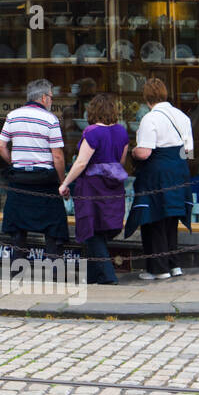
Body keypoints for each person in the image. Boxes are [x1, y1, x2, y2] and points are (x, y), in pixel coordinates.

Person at [123, 76, 193, 279]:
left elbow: (144, 153)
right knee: (171, 217)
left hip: (156, 173)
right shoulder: (182, 116)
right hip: (179, 171)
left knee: (153, 218)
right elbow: (189, 152)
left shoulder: (150, 118)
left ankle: (159, 269)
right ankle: (174, 265)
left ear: (146, 99)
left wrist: (133, 152)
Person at [59, 92, 128, 285]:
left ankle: (108, 276)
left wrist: (65, 183)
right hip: (113, 186)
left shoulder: (91, 132)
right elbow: (121, 161)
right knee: (101, 229)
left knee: (91, 230)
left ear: (93, 111)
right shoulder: (122, 131)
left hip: (92, 187)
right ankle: (90, 277)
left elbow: (81, 163)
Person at [0, 79, 68, 257]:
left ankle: (17, 271)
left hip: (19, 180)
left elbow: (0, 146)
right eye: (51, 97)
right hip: (45, 180)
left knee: (18, 229)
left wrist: (15, 162)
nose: (52, 101)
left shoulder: (13, 116)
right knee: (53, 227)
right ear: (44, 98)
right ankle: (55, 271)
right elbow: (57, 156)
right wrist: (63, 181)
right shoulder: (51, 119)